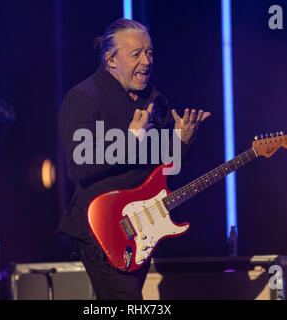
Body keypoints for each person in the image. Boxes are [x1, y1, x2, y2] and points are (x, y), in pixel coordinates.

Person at [57, 18, 210, 300]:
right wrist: (130, 141)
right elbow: (78, 167)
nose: (147, 60)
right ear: (111, 59)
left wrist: (182, 141)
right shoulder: (83, 98)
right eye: (136, 53)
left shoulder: (154, 99)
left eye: (149, 52)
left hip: (140, 227)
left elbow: (165, 168)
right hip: (100, 227)